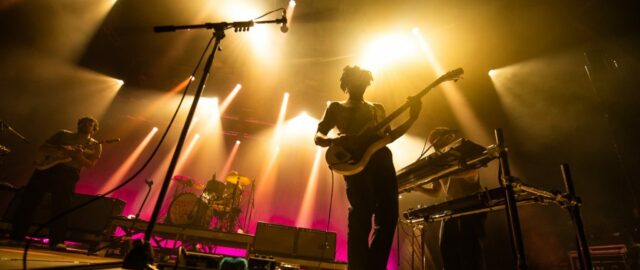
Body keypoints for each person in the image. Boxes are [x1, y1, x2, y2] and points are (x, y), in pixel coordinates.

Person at [314, 65, 421, 269]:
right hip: (356, 166)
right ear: (346, 85)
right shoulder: (336, 107)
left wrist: (412, 118)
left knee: (389, 218)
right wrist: (334, 141)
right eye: (356, 82)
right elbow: (318, 136)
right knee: (360, 217)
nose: (361, 86)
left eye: (364, 82)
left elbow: (389, 137)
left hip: (382, 161)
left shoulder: (377, 108)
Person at [9, 116, 102, 249]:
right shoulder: (63, 134)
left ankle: (57, 241)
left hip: (69, 174)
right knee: (28, 202)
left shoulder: (96, 145)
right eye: (83, 122)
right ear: (78, 124)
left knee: (61, 207)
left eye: (89, 123)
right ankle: (16, 237)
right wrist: (62, 149)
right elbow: (43, 148)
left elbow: (90, 164)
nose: (85, 124)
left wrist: (78, 156)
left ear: (94, 129)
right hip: (47, 169)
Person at [417, 127, 487, 270]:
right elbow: (435, 192)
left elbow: (473, 172)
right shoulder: (438, 162)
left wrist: (449, 171)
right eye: (433, 143)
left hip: (471, 204)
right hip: (451, 207)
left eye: (437, 141)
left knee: (470, 251)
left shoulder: (463, 152)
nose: (435, 146)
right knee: (446, 248)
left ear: (450, 137)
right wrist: (418, 187)